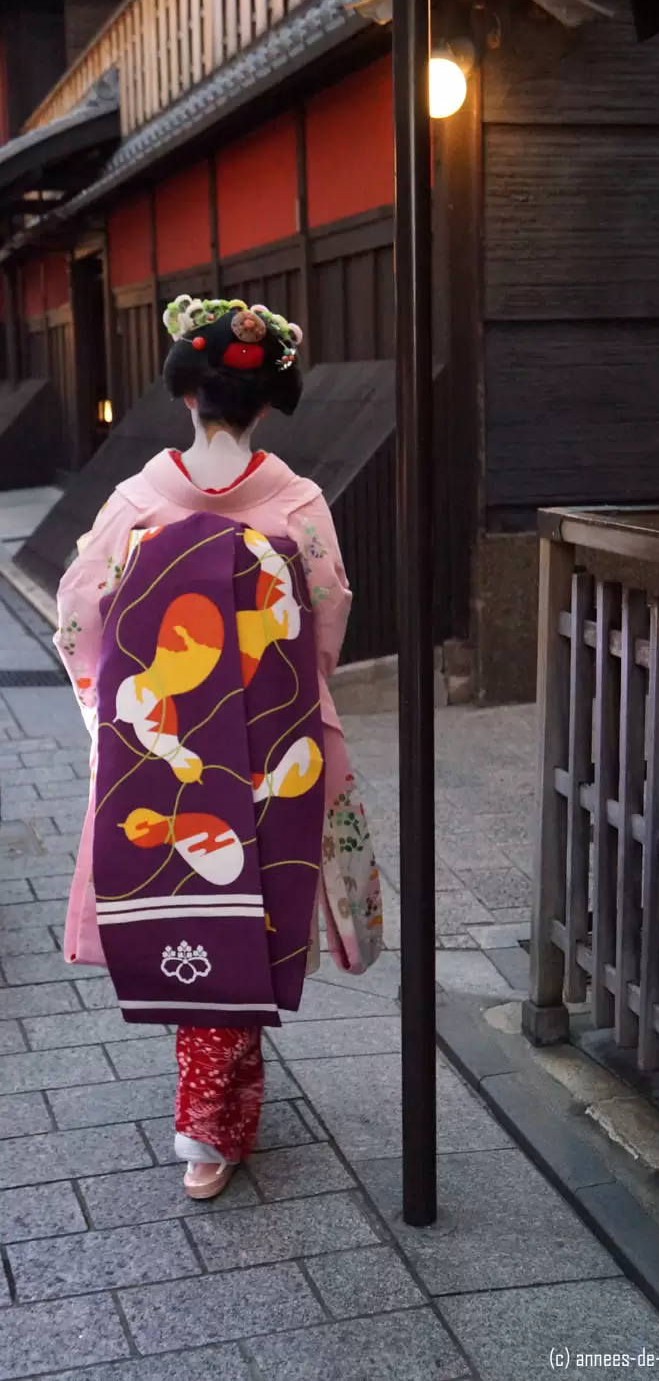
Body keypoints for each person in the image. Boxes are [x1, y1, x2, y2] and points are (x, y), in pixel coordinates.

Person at [55, 296, 383, 1200]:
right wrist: (282, 692)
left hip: (166, 744)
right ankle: (215, 1114)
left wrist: (117, 722)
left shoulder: (136, 500)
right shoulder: (297, 500)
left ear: (187, 396)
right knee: (255, 902)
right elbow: (326, 618)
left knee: (190, 902)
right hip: (278, 742)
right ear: (267, 401)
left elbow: (80, 619)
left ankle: (212, 1114)